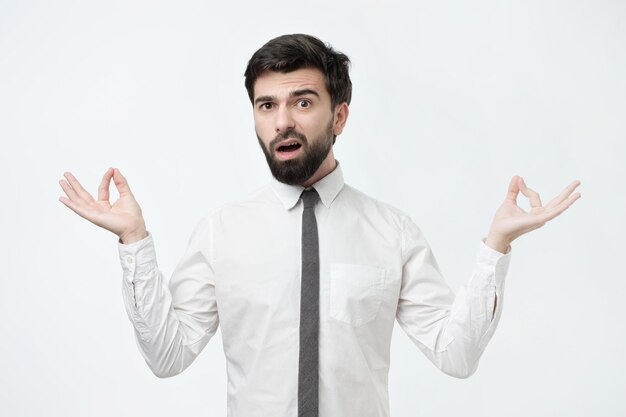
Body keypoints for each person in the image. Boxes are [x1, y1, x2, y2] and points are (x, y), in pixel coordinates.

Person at [58, 34, 581, 417]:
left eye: (302, 102)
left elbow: (456, 353)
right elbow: (168, 356)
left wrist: (497, 245)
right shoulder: (221, 231)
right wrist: (134, 242)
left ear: (340, 116)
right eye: (268, 105)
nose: (282, 120)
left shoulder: (391, 231)